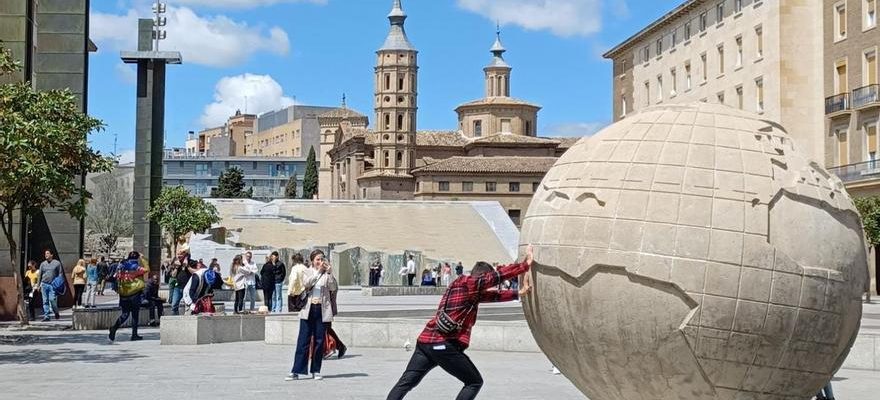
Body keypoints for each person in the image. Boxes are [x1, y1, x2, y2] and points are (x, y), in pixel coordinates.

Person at [386, 246, 534, 400]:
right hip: (443, 344)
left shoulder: (463, 287)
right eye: (485, 281)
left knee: (406, 383)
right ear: (481, 276)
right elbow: (497, 276)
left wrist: (518, 293)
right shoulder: (470, 283)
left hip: (425, 342)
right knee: (474, 382)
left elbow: (492, 296)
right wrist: (525, 265)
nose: (487, 285)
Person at [287, 249, 335, 381]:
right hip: (308, 308)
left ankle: (316, 370)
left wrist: (330, 273)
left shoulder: (327, 273)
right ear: (313, 260)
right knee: (303, 340)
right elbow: (306, 284)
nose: (320, 262)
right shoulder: (306, 271)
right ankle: (296, 370)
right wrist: (319, 272)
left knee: (319, 341)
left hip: (322, 308)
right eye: (318, 259)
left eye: (322, 259)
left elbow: (333, 287)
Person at [109, 251, 148, 342]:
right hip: (134, 293)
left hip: (123, 294)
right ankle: (134, 334)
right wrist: (143, 259)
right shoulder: (135, 266)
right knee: (135, 314)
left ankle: (114, 328)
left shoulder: (121, 265)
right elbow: (146, 269)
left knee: (125, 314)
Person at [37, 249, 63, 321]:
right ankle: (47, 316)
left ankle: (56, 312)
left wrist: (59, 283)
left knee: (52, 300)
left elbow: (60, 274)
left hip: (53, 285)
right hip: (44, 284)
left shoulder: (57, 263)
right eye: (45, 254)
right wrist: (38, 285)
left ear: (51, 255)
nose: (46, 255)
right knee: (45, 301)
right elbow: (40, 275)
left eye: (48, 253)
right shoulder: (42, 264)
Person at [171, 250, 198, 315]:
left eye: (181, 254)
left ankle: (187, 320)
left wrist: (187, 266)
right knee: (174, 304)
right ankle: (175, 319)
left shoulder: (192, 262)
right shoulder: (177, 263)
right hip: (178, 287)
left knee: (188, 305)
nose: (179, 256)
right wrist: (177, 267)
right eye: (178, 254)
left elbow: (195, 273)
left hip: (188, 288)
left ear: (186, 255)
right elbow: (173, 275)